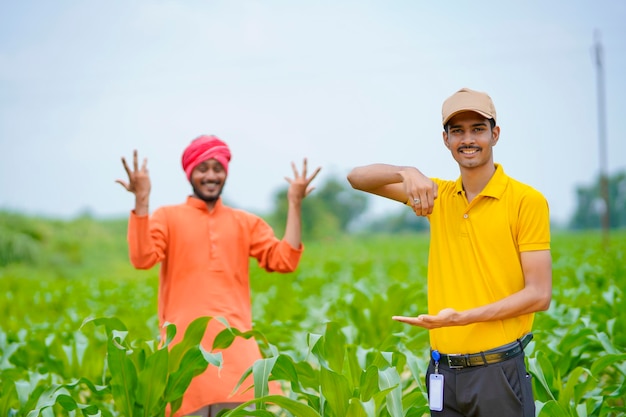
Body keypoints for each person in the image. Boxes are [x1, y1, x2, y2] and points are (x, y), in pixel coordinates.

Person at [347, 88, 552, 416]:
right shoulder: (436, 196)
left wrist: (460, 319)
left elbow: (539, 295)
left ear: (495, 134)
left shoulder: (526, 201)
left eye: (478, 129)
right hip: (444, 374)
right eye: (457, 130)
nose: (467, 139)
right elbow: (357, 178)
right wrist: (407, 171)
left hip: (497, 371)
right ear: (445, 139)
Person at [116, 135, 320, 417]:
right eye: (203, 168)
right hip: (184, 356)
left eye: (217, 168)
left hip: (237, 354)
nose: (211, 175)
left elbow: (284, 260)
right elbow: (141, 258)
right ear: (190, 173)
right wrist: (142, 200)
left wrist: (295, 203)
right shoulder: (167, 217)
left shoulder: (245, 222)